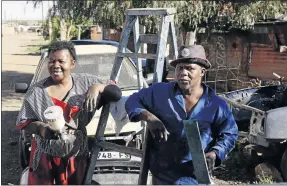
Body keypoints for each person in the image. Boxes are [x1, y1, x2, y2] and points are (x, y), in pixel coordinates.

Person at [125, 45, 239, 185]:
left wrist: (215, 153)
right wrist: (149, 117)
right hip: (163, 175)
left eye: (189, 68)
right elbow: (132, 101)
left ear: (202, 72)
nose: (183, 73)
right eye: (179, 68)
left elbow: (230, 133)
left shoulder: (216, 105)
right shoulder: (159, 92)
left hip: (196, 178)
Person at [16, 41, 115, 185]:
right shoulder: (36, 92)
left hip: (76, 156)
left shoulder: (86, 83)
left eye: (61, 61)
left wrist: (97, 87)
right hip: (45, 158)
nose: (55, 65)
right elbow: (24, 122)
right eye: (51, 61)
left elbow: (115, 90)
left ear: (72, 63)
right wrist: (41, 128)